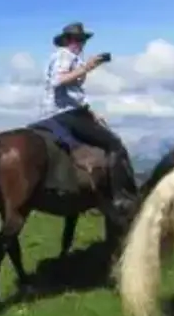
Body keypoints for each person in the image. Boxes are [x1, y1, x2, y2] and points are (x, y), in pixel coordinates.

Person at [41, 21, 138, 211]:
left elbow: (72, 93)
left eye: (82, 40)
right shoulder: (65, 55)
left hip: (64, 110)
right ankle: (120, 195)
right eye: (77, 40)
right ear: (67, 40)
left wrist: (91, 112)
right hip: (66, 113)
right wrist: (87, 67)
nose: (80, 44)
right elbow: (58, 81)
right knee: (115, 144)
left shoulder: (67, 58)